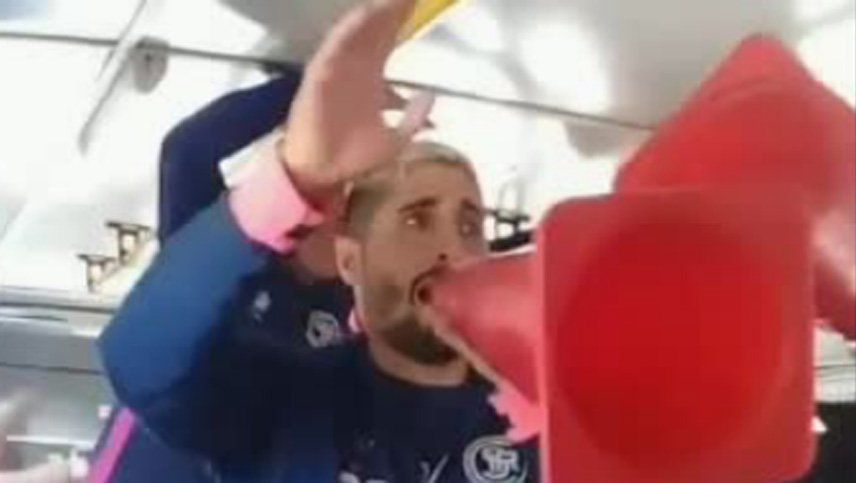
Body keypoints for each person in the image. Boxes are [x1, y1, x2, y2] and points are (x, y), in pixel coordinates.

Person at [99, 0, 539, 481]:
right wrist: (294, 181)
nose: (452, 249)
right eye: (416, 220)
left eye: (471, 227)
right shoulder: (280, 405)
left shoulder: (543, 419)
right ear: (350, 260)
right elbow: (141, 363)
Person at [90, 71, 353, 483]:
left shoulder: (364, 302)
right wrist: (320, 83)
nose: (334, 201)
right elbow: (187, 152)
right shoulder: (222, 259)